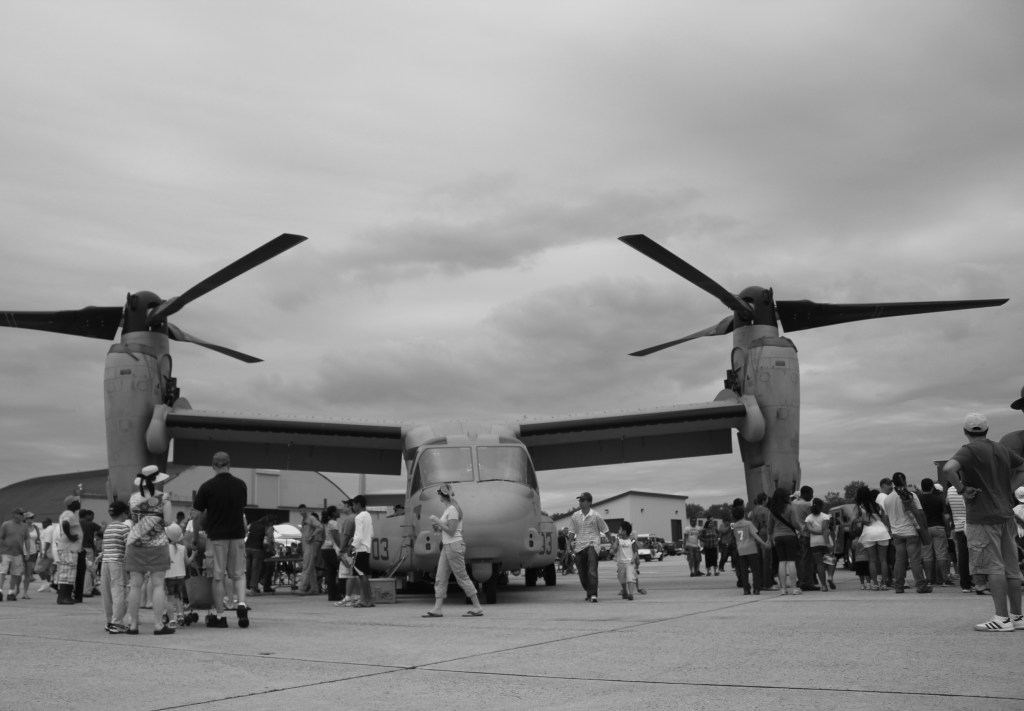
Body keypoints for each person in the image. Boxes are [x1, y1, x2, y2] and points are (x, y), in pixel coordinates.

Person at [942, 412, 1024, 632]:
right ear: (987, 430)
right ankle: (1017, 616)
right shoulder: (1001, 448)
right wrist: (1009, 487)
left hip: (982, 515)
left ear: (965, 432)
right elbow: (1022, 467)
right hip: (1005, 513)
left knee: (993, 566)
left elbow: (948, 468)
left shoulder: (968, 450)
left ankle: (1001, 618)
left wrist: (961, 489)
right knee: (1012, 568)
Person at [193, 451, 250, 629]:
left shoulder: (207, 487)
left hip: (217, 536)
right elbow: (241, 509)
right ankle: (241, 604)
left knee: (218, 576)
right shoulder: (241, 485)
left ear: (213, 465)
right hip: (238, 534)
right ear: (229, 464)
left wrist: (195, 537)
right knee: (239, 574)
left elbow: (196, 516)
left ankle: (220, 616)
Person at [125, 465, 173, 635]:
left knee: (135, 585)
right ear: (157, 479)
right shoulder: (164, 498)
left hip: (135, 544)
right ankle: (159, 625)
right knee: (158, 584)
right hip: (157, 544)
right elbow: (167, 522)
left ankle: (133, 624)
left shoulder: (133, 499)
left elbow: (134, 519)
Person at [423, 484, 484, 617]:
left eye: (439, 494)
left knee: (461, 577)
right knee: (440, 577)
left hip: (453, 546)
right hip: (448, 546)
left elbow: (451, 531)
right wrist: (438, 526)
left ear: (442, 495)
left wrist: (437, 521)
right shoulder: (449, 509)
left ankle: (477, 607)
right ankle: (437, 609)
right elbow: (453, 529)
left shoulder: (452, 510)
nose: (438, 496)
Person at [882, 472, 930, 594]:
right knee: (915, 560)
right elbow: (920, 513)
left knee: (900, 560)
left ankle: (899, 586)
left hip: (897, 533)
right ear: (905, 481)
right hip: (911, 532)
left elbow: (886, 518)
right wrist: (924, 529)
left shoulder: (887, 499)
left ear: (893, 483)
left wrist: (892, 530)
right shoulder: (911, 495)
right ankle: (920, 585)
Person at [569, 492, 609, 602]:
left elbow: (606, 530)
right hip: (579, 547)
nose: (580, 502)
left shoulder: (596, 516)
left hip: (592, 545)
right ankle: (590, 589)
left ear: (589, 502)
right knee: (582, 574)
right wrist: (568, 545)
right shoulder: (575, 516)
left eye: (582, 500)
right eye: (580, 500)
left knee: (592, 571)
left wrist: (613, 543)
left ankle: (593, 594)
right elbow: (572, 532)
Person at [99, 501, 130, 633]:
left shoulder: (108, 528)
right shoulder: (124, 528)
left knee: (106, 592)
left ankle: (109, 620)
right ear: (123, 513)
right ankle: (117, 622)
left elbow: (104, 547)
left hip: (105, 562)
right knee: (118, 592)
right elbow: (128, 547)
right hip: (117, 562)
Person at [853, 486, 891, 591]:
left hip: (869, 532)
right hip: (882, 531)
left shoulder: (859, 507)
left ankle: (874, 584)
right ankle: (883, 584)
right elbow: (885, 520)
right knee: (883, 560)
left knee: (872, 560)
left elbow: (853, 519)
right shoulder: (878, 506)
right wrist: (889, 532)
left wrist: (862, 521)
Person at [767, 488, 801, 595]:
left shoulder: (772, 510)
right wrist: (801, 529)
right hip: (790, 536)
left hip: (777, 537)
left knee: (781, 562)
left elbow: (769, 527)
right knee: (791, 561)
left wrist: (769, 539)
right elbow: (795, 523)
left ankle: (783, 588)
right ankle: (794, 588)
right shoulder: (790, 508)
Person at [917, 478, 951, 586]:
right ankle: (945, 579)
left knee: (927, 555)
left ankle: (929, 579)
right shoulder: (939, 499)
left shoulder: (918, 499)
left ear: (922, 487)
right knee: (941, 554)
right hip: (938, 527)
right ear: (932, 487)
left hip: (925, 529)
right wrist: (948, 529)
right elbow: (945, 516)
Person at [731, 503, 768, 595]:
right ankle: (756, 588)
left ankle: (746, 589)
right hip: (751, 549)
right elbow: (755, 535)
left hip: (741, 550)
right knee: (755, 570)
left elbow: (736, 538)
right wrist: (764, 543)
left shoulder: (734, 526)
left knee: (744, 571)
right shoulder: (748, 523)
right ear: (744, 514)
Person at [56, 495, 83, 605]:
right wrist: (70, 536)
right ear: (72, 504)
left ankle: (66, 596)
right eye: (77, 501)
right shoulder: (69, 514)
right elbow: (65, 523)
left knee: (69, 573)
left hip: (70, 548)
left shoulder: (69, 514)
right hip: (68, 548)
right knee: (66, 573)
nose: (79, 503)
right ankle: (62, 597)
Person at [945, 484, 972, 593]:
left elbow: (947, 506)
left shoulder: (950, 490)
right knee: (976, 554)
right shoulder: (971, 486)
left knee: (963, 555)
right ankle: (977, 582)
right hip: (973, 524)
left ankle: (965, 584)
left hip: (959, 527)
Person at [349, 495, 374, 608]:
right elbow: (372, 533)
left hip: (360, 549)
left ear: (358, 504)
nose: (353, 507)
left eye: (353, 505)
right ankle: (368, 600)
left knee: (361, 575)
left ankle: (365, 601)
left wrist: (352, 547)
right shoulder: (368, 515)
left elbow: (358, 535)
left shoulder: (358, 517)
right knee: (365, 575)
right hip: (367, 548)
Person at [803, 498, 832, 592]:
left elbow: (810, 530)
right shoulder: (825, 516)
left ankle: (823, 586)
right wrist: (826, 538)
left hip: (814, 543)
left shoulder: (808, 518)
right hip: (825, 541)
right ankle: (830, 577)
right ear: (822, 506)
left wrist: (817, 532)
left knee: (819, 564)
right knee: (830, 560)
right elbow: (825, 529)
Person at [0, 507, 29, 601]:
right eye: (21, 514)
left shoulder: (24, 526)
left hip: (18, 553)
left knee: (15, 573)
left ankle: (11, 592)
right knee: (3, 572)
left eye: (23, 514)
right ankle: (0, 591)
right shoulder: (6, 524)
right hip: (5, 552)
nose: (23, 516)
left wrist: (27, 552)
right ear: (15, 515)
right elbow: (0, 537)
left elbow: (27, 539)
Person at [333, 501, 359, 607]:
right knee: (356, 575)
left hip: (348, 550)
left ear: (349, 507)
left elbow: (346, 535)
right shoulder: (358, 517)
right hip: (356, 548)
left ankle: (348, 598)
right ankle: (356, 596)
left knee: (348, 575)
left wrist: (341, 549)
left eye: (344, 506)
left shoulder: (349, 519)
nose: (342, 508)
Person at [792, 486, 816, 590]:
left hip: (796, 534)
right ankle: (807, 582)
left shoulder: (794, 503)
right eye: (811, 494)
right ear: (806, 493)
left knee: (799, 559)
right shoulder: (807, 505)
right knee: (807, 559)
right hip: (806, 534)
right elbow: (813, 519)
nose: (812, 496)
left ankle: (800, 580)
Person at [163, 523, 188, 628]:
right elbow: (187, 562)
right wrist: (194, 554)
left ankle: (172, 620)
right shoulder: (183, 548)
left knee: (169, 599)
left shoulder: (165, 548)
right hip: (181, 576)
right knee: (178, 597)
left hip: (169, 576)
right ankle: (180, 616)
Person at [749, 493, 775, 589]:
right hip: (764, 534)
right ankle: (767, 583)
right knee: (767, 559)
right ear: (764, 500)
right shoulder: (766, 510)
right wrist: (769, 539)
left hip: (755, 535)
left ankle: (759, 583)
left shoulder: (753, 510)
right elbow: (769, 525)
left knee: (758, 560)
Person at [244, 514, 274, 596]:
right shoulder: (267, 527)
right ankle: (253, 589)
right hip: (257, 549)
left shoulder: (252, 524)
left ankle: (244, 587)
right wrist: (271, 550)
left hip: (247, 547)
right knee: (255, 569)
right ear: (270, 522)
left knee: (246, 569)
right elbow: (269, 539)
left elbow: (245, 532)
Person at [296, 505, 323, 595]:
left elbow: (320, 527)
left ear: (306, 510)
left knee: (306, 566)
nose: (302, 512)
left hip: (310, 545)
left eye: (304, 510)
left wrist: (313, 535)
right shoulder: (303, 520)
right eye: (300, 511)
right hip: (305, 545)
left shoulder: (311, 518)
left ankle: (302, 588)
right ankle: (314, 588)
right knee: (310, 568)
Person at [609, 521, 639, 601]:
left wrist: (633, 558)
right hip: (620, 562)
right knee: (621, 578)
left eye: (620, 529)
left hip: (630, 562)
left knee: (630, 578)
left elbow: (636, 551)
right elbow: (614, 549)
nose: (618, 531)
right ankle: (625, 591)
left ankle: (631, 594)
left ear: (624, 531)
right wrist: (612, 550)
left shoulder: (632, 540)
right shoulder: (618, 540)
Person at [320, 506, 342, 602]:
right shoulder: (333, 523)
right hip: (330, 550)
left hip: (325, 549)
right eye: (337, 511)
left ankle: (332, 595)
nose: (339, 512)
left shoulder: (327, 522)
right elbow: (336, 538)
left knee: (331, 573)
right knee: (342, 570)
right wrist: (343, 547)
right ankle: (340, 593)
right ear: (333, 513)